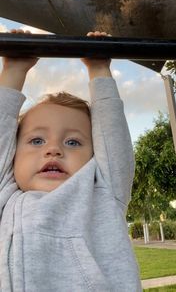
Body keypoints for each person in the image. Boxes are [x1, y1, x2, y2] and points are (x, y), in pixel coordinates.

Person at [0, 29, 142, 292]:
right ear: (13, 154)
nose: (53, 150)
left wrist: (99, 68)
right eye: (37, 141)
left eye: (73, 142)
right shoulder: (6, 195)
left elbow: (112, 139)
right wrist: (14, 71)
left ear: (95, 155)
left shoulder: (100, 191)